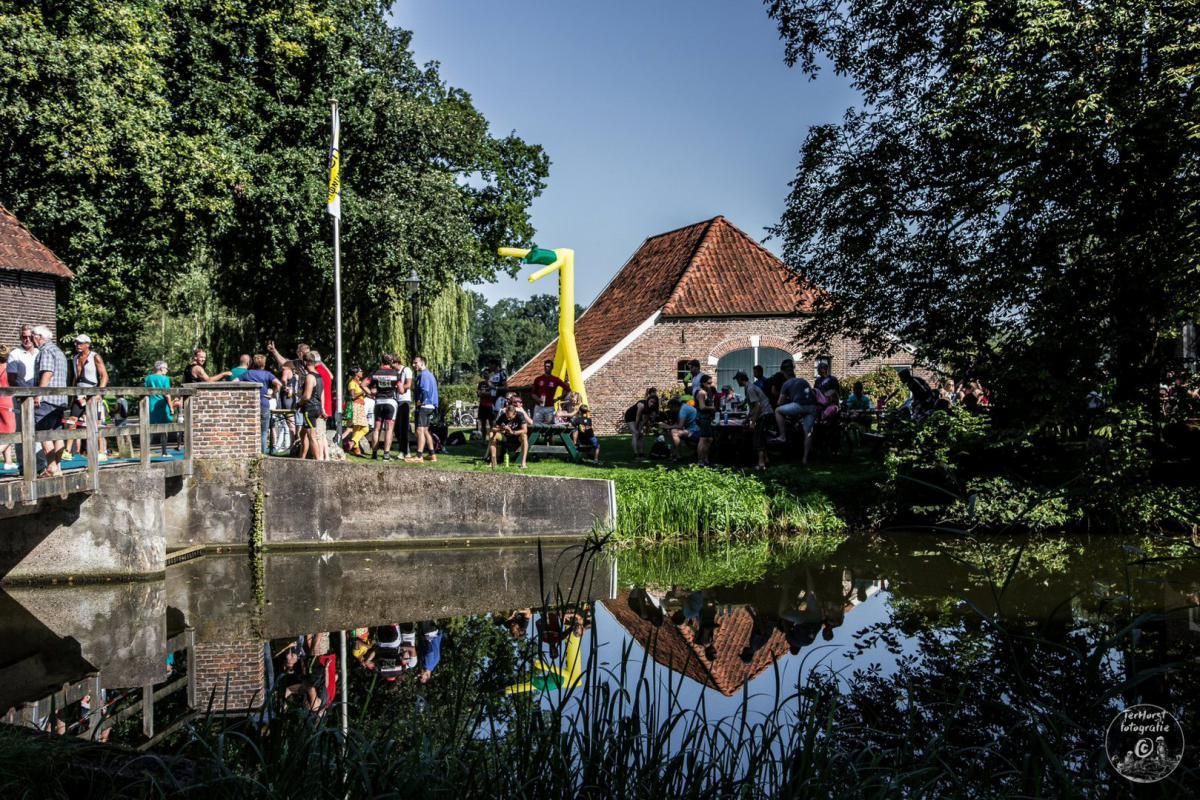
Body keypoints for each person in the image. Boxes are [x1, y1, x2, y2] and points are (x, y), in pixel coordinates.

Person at [31, 325, 68, 476]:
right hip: (60, 399)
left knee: (43, 432)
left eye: (33, 336)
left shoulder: (45, 351)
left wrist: (39, 394)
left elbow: (47, 373)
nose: (32, 339)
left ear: (39, 337)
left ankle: (52, 467)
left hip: (47, 399)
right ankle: (57, 467)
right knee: (57, 433)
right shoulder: (58, 351)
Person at [69, 334, 109, 462]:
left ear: (87, 344)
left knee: (95, 423)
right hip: (79, 393)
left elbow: (104, 376)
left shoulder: (95, 356)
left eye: (80, 343)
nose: (77, 345)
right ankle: (68, 451)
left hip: (92, 393)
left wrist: (99, 393)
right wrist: (72, 393)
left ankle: (101, 451)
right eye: (76, 343)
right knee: (72, 421)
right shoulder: (75, 358)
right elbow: (75, 378)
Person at [770, 371, 820, 465]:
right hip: (813, 406)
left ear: (785, 375)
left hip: (800, 405)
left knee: (778, 410)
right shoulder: (803, 381)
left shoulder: (786, 383)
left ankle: (782, 436)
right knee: (808, 433)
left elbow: (780, 402)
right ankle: (805, 459)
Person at [241, 355, 283, 454]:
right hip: (264, 404)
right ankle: (262, 454)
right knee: (263, 432)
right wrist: (273, 393)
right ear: (264, 364)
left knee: (249, 430)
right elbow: (279, 384)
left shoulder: (247, 373)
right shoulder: (267, 374)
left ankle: (250, 453)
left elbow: (234, 383)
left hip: (250, 405)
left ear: (252, 363)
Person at [735, 371, 772, 470]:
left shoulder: (750, 389)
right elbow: (752, 408)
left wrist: (753, 422)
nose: (737, 382)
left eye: (737, 380)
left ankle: (761, 464)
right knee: (761, 437)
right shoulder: (749, 388)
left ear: (740, 379)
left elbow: (758, 406)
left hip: (764, 414)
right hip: (764, 414)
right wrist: (747, 419)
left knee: (758, 438)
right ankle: (765, 460)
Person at [366, 354, 400, 460]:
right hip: (391, 402)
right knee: (389, 429)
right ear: (391, 362)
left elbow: (363, 384)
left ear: (382, 361)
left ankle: (374, 454)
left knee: (377, 429)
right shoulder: (395, 373)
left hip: (378, 402)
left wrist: (371, 394)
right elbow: (402, 389)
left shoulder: (375, 373)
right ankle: (386, 455)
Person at [409, 354, 439, 462]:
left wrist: (420, 402)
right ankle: (432, 455)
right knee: (426, 431)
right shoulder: (431, 375)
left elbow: (425, 390)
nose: (413, 365)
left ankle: (419, 456)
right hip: (430, 405)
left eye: (415, 363)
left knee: (419, 430)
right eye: (413, 363)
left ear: (422, 363)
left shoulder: (424, 375)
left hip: (424, 405)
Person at [299, 350, 326, 460]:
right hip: (317, 407)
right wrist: (322, 408)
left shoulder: (309, 377)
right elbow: (322, 393)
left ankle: (318, 461)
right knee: (303, 433)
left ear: (307, 362)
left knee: (312, 436)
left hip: (309, 408)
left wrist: (299, 403)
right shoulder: (319, 376)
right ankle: (302, 457)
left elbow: (307, 396)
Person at [144, 361, 175, 452]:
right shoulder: (165, 379)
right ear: (161, 369)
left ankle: (146, 450)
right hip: (162, 406)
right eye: (166, 369)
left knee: (149, 428)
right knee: (164, 430)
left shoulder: (148, 378)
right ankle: (164, 451)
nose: (167, 371)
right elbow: (167, 394)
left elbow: (145, 392)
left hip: (150, 405)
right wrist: (171, 407)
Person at [488, 400, 529, 468]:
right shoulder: (503, 416)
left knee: (524, 436)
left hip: (516, 437)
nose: (508, 419)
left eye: (510, 417)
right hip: (505, 436)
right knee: (492, 434)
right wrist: (501, 429)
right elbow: (493, 428)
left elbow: (525, 430)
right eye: (507, 416)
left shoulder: (520, 415)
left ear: (514, 414)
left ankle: (523, 463)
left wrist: (513, 432)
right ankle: (493, 462)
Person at [309, 351, 334, 460]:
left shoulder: (317, 373)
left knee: (318, 435)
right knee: (323, 434)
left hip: (320, 406)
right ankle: (326, 456)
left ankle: (319, 459)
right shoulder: (325, 371)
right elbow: (332, 377)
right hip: (327, 406)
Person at [531, 359, 569, 425]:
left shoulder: (555, 379)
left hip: (550, 408)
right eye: (545, 366)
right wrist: (538, 399)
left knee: (549, 427)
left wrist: (558, 398)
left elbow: (567, 389)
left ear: (552, 368)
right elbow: (533, 394)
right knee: (536, 426)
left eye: (548, 366)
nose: (546, 368)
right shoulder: (538, 379)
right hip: (539, 407)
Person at [343, 366, 370, 455]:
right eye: (360, 371)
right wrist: (362, 391)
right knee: (365, 428)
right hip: (356, 406)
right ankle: (354, 443)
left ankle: (355, 446)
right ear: (356, 373)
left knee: (357, 428)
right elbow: (353, 396)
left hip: (361, 405)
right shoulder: (352, 383)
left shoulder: (359, 382)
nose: (362, 372)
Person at [626, 387, 660, 458]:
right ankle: (635, 454)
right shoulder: (641, 405)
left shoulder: (652, 409)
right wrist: (636, 428)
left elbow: (645, 420)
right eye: (651, 401)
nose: (652, 404)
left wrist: (641, 428)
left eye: (654, 403)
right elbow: (637, 417)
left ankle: (641, 453)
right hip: (630, 416)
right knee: (635, 433)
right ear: (648, 400)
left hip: (640, 417)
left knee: (641, 434)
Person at [665, 396, 700, 461]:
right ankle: (675, 453)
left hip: (695, 430)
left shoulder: (682, 410)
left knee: (675, 433)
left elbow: (680, 426)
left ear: (674, 406)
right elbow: (678, 424)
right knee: (672, 431)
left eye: (671, 408)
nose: (671, 410)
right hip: (691, 429)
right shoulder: (683, 407)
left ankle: (677, 455)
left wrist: (668, 426)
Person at [393, 356, 414, 459]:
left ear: (397, 363)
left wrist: (398, 387)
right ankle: (403, 449)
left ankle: (405, 451)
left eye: (392, 364)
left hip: (404, 400)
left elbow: (408, 384)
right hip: (396, 400)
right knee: (397, 428)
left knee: (403, 427)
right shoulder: (394, 372)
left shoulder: (406, 370)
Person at [694, 374, 717, 466]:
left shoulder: (707, 391)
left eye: (711, 383)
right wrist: (712, 408)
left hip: (707, 417)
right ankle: (700, 460)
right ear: (703, 383)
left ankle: (705, 458)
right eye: (708, 383)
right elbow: (702, 407)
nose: (710, 385)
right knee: (703, 439)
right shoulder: (701, 393)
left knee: (709, 439)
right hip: (702, 417)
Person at [0, 345, 14, 469]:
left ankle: (8, 462)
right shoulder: (7, 367)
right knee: (11, 431)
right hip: (6, 401)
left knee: (3, 432)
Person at [476, 378, 496, 443]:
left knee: (491, 423)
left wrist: (484, 393)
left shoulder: (492, 382)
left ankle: (492, 438)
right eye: (484, 373)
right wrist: (483, 393)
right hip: (482, 406)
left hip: (490, 406)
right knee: (483, 424)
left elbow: (492, 393)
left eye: (487, 373)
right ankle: (483, 439)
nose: (485, 375)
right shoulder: (481, 383)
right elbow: (478, 394)